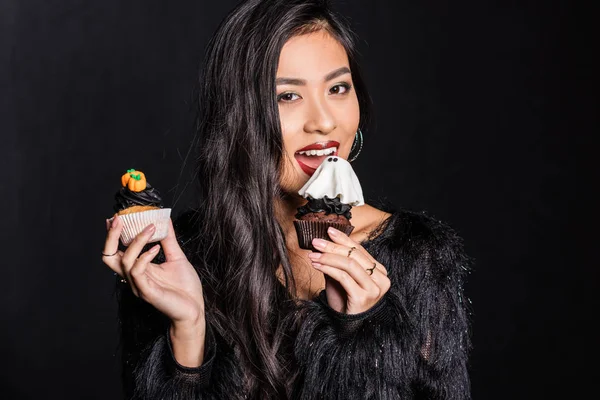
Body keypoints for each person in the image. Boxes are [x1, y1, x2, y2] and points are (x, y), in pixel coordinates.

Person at [102, 0, 472, 399]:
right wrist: (188, 330)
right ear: (238, 113)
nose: (324, 121)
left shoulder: (418, 257)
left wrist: (363, 334)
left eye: (338, 88)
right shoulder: (181, 256)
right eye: (287, 96)